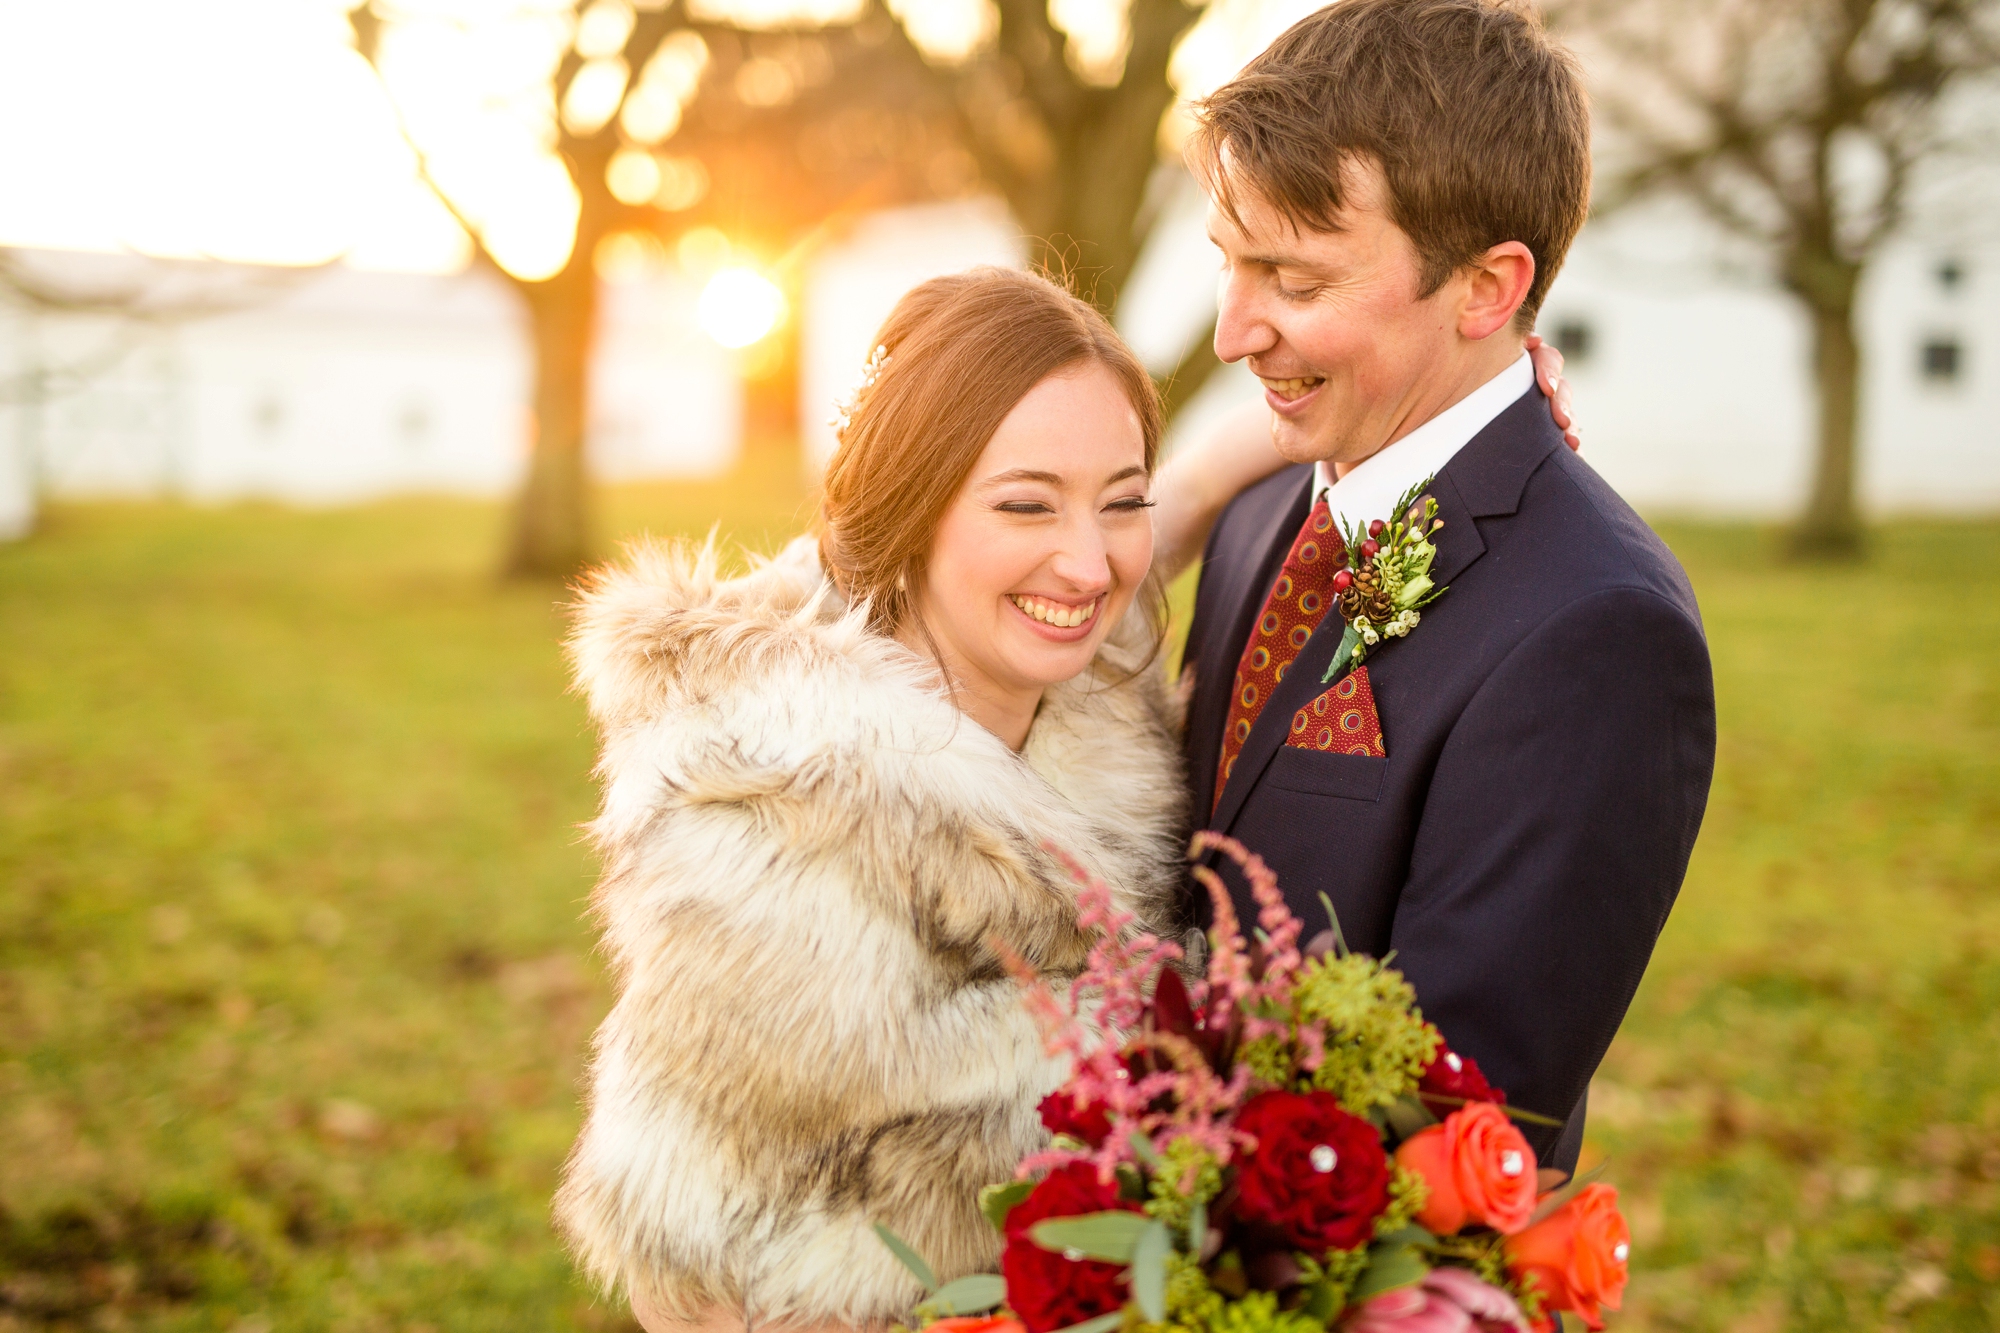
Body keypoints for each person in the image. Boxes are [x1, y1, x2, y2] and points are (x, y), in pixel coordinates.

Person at [553, 267, 1580, 1328]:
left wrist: (1465, 394)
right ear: (911, 505)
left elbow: (1161, 506)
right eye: (1024, 503)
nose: (1089, 564)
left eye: (1119, 502)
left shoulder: (1077, 683)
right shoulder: (765, 814)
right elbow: (702, 1264)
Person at [1176, 0, 1717, 1177]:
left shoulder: (1596, 630)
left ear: (1484, 289)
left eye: (1292, 278)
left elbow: (1446, 1111)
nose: (1230, 332)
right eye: (1228, 262)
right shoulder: (1260, 512)